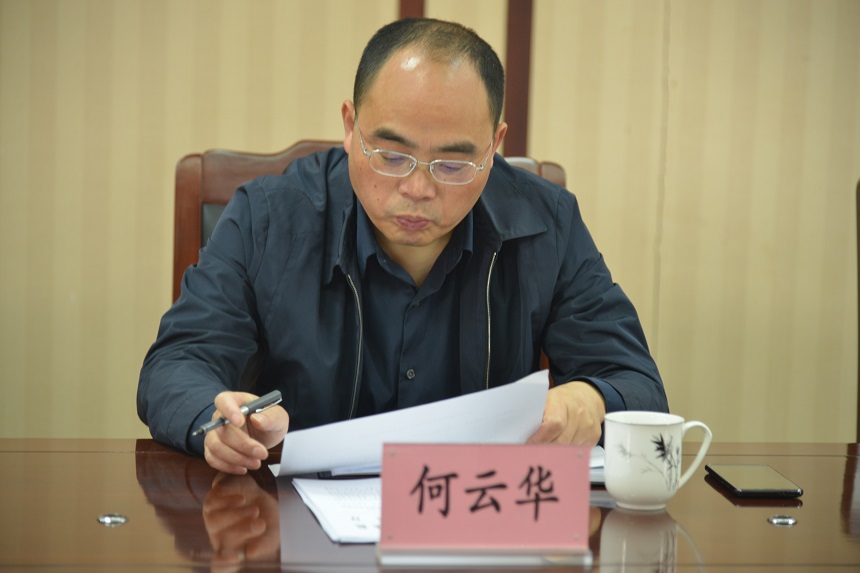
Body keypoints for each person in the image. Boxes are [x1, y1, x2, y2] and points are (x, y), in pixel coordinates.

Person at [138, 17, 668, 475]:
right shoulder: (269, 218)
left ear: (494, 146)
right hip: (294, 522)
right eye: (391, 156)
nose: (418, 188)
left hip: (476, 520)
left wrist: (592, 399)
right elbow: (177, 364)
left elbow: (636, 382)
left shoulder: (547, 224)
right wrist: (218, 418)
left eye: (453, 164)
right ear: (351, 127)